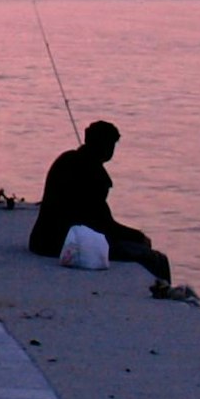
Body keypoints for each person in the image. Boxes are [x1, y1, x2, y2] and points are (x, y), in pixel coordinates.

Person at [30, 119, 173, 284]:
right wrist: (138, 236)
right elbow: (104, 226)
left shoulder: (65, 159)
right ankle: (165, 293)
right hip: (65, 245)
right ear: (108, 147)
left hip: (40, 240)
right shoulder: (95, 176)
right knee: (156, 259)